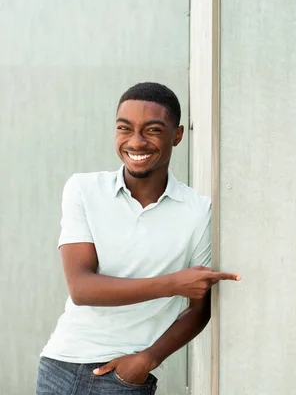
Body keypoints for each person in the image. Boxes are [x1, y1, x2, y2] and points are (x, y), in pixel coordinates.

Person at [36, 82, 240, 395]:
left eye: (153, 130)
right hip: (60, 366)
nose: (136, 142)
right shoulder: (83, 190)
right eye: (124, 128)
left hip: (124, 376)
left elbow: (199, 311)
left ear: (177, 135)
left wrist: (147, 360)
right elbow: (82, 288)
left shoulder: (199, 211)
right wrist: (173, 284)